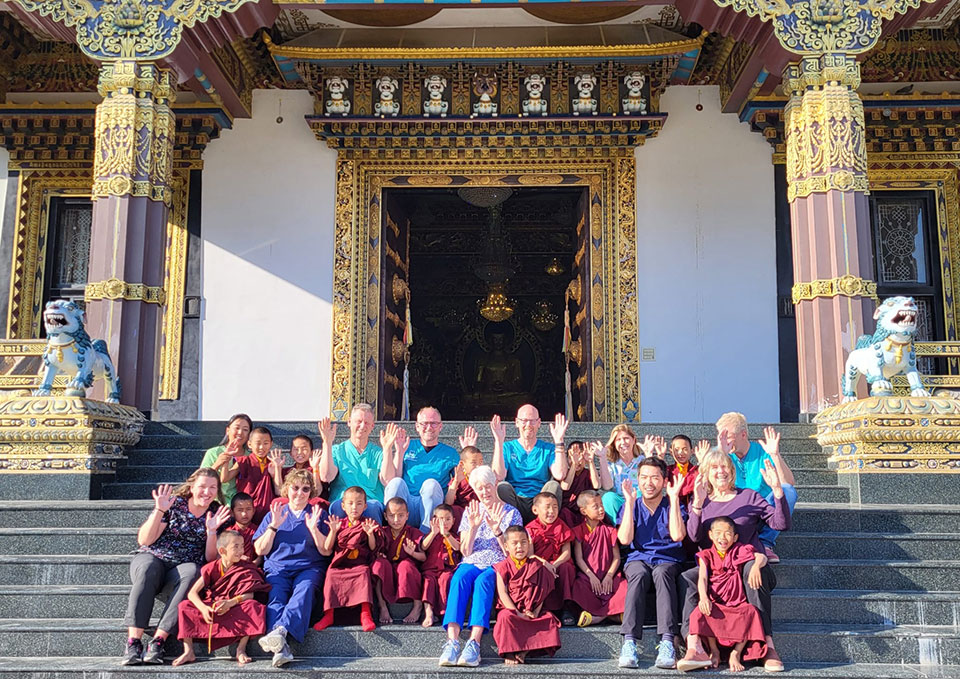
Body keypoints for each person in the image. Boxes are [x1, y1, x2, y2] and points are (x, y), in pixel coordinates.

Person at [680, 449, 789, 673]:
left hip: (748, 564)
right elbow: (694, 537)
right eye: (714, 467)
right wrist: (698, 505)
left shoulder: (749, 496)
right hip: (715, 568)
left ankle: (767, 646)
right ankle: (695, 645)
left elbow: (780, 524)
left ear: (731, 471)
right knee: (687, 578)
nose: (720, 471)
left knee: (752, 573)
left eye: (724, 467)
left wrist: (777, 491)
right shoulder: (701, 498)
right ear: (706, 473)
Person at [121, 469, 232, 666]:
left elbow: (210, 558)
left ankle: (158, 641)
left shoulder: (217, 512)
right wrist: (159, 511)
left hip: (183, 567)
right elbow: (145, 540)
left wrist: (212, 531)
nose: (207, 492)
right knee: (147, 567)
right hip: (154, 557)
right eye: (202, 487)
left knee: (194, 572)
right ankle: (133, 642)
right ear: (192, 487)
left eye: (212, 487)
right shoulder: (175, 504)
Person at [438, 465, 523, 668]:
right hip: (472, 559)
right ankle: (452, 641)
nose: (484, 492)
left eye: (487, 486)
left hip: (496, 561)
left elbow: (510, 553)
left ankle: (474, 643)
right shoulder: (471, 511)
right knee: (458, 578)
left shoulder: (511, 513)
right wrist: (474, 527)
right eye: (479, 488)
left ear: (494, 485)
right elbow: (465, 551)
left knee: (484, 581)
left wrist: (497, 531)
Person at [616, 457, 687, 669]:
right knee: (638, 574)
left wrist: (674, 500)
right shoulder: (634, 505)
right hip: (638, 557)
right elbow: (625, 540)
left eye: (655, 478)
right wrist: (629, 504)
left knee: (662, 574)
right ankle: (629, 641)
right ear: (638, 479)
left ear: (664, 481)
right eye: (644, 477)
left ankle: (667, 641)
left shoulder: (672, 504)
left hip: (668, 559)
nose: (649, 483)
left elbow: (677, 535)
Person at [254, 469, 330, 667]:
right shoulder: (275, 514)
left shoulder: (317, 515)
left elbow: (325, 551)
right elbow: (260, 549)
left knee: (303, 592)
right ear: (287, 489)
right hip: (278, 568)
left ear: (310, 493)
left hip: (308, 567)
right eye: (295, 488)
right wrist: (273, 527)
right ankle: (281, 648)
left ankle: (279, 633)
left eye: (305, 489)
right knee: (276, 597)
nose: (299, 493)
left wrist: (314, 529)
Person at [678, 516, 768, 673]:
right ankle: (714, 650)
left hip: (737, 603)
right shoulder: (706, 555)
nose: (723, 537)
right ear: (711, 535)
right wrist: (704, 598)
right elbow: (703, 577)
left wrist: (755, 567)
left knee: (751, 613)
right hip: (716, 602)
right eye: (718, 533)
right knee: (699, 613)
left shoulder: (740, 550)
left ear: (735, 537)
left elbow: (761, 556)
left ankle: (736, 653)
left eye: (728, 533)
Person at [172, 531, 271, 666]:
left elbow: (251, 594)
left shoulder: (247, 567)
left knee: (252, 606)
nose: (240, 550)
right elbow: (192, 593)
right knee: (184, 606)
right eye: (235, 547)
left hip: (234, 605)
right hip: (213, 606)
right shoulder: (212, 567)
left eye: (242, 546)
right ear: (222, 550)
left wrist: (230, 603)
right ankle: (188, 651)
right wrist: (203, 608)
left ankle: (241, 649)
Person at [716, 413, 797, 563]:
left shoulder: (762, 452)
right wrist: (721, 454)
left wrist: (775, 455)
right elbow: (707, 485)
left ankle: (765, 543)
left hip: (763, 511)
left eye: (728, 436)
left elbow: (788, 483)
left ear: (743, 434)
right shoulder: (722, 452)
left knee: (788, 492)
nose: (725, 440)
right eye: (721, 436)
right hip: (736, 512)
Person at [313, 486, 383, 632]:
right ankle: (329, 615)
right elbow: (328, 547)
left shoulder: (367, 523)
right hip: (340, 564)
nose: (354, 508)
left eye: (358, 503)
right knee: (331, 574)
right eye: (350, 503)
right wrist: (333, 531)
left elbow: (372, 548)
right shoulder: (339, 523)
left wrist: (370, 534)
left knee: (364, 573)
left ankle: (365, 614)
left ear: (365, 506)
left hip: (359, 564)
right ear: (343, 506)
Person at [383, 406, 461, 533]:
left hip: (430, 505)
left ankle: (426, 535)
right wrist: (399, 452)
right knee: (396, 483)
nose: (429, 427)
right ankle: (391, 534)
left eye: (433, 423)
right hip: (406, 503)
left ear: (440, 426)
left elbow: (460, 480)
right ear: (417, 426)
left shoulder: (450, 453)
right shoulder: (407, 445)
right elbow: (392, 479)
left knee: (431, 484)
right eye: (424, 423)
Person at [492, 526, 562, 664]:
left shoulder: (536, 565)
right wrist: (517, 613)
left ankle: (525, 650)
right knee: (505, 618)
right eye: (515, 543)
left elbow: (541, 591)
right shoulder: (502, 566)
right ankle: (510, 652)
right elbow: (503, 593)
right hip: (512, 609)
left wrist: (535, 612)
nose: (520, 547)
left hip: (532, 610)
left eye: (524, 542)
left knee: (548, 619)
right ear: (506, 546)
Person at [317, 405, 398, 523]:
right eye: (358, 422)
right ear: (349, 422)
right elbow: (326, 476)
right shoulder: (336, 450)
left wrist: (387, 449)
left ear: (372, 426)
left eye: (366, 423)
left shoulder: (378, 453)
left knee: (373, 508)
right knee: (338, 507)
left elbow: (388, 480)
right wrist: (327, 443)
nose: (362, 426)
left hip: (370, 502)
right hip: (343, 502)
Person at [491, 405, 569, 523]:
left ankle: (545, 529)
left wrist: (559, 441)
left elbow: (560, 474)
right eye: (524, 421)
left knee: (553, 485)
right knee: (502, 487)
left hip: (540, 501)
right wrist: (498, 442)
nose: (528, 425)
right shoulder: (507, 447)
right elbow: (499, 476)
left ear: (539, 423)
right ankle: (511, 526)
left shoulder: (548, 449)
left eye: (532, 421)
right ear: (517, 422)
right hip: (515, 499)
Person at [569, 489, 627, 627]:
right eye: (596, 506)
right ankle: (614, 615)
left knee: (624, 586)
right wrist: (591, 576)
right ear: (584, 511)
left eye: (602, 505)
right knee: (578, 586)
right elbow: (579, 559)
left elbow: (616, 558)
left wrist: (609, 575)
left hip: (609, 576)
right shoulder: (578, 531)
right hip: (589, 576)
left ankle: (598, 617)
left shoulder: (610, 530)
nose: (601, 509)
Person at [524, 492, 576, 624]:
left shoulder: (561, 526)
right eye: (547, 507)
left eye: (555, 507)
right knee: (538, 569)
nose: (551, 511)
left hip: (558, 565)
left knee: (566, 568)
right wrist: (545, 564)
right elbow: (530, 554)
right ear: (535, 510)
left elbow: (567, 553)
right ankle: (540, 608)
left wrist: (555, 565)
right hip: (541, 564)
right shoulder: (530, 529)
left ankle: (566, 608)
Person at [372, 497, 426, 624]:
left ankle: (417, 605)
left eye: (401, 515)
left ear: (407, 516)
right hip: (388, 568)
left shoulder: (413, 532)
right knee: (378, 565)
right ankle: (382, 606)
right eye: (392, 516)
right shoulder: (382, 532)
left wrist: (412, 553)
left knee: (405, 566)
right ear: (385, 516)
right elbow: (374, 551)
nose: (396, 520)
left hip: (406, 569)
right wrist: (379, 555)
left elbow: (424, 557)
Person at [596, 425, 662, 520]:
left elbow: (652, 479)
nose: (623, 442)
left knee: (641, 494)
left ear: (633, 440)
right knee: (608, 497)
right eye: (618, 440)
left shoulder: (642, 461)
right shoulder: (611, 464)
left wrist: (649, 455)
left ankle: (639, 527)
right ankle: (619, 530)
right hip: (619, 501)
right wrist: (602, 458)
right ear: (614, 443)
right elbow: (607, 487)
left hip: (638, 501)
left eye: (626, 438)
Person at [220, 426, 279, 525]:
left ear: (271, 444)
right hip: (247, 510)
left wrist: (277, 470)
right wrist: (227, 457)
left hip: (268, 511)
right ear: (250, 444)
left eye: (266, 443)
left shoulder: (273, 463)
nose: (261, 447)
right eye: (258, 443)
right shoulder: (244, 461)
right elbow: (224, 478)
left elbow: (279, 490)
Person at [420, 504, 461, 628]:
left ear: (453, 521)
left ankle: (444, 612)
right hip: (431, 568)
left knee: (446, 579)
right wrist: (434, 533)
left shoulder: (453, 536)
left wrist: (446, 534)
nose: (444, 523)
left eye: (448, 519)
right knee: (428, 581)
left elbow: (457, 547)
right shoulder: (431, 535)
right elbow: (423, 546)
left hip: (447, 568)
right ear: (434, 520)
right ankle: (429, 612)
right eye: (440, 519)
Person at [199, 414, 252, 505]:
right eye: (237, 428)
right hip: (215, 502)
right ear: (228, 430)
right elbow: (199, 479)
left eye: (245, 430)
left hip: (241, 505)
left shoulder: (250, 457)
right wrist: (218, 463)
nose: (240, 432)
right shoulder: (213, 453)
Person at [558, 440, 599, 527]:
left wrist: (591, 462)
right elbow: (565, 486)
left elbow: (597, 485)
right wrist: (574, 464)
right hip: (567, 511)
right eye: (571, 457)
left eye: (580, 456)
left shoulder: (588, 473)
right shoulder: (564, 472)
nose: (577, 460)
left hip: (585, 510)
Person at [271, 434, 324, 500]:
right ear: (291, 453)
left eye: (304, 449)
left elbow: (317, 492)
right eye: (296, 449)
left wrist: (315, 468)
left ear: (311, 452)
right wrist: (277, 468)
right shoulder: (287, 472)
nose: (300, 452)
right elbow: (279, 492)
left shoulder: (316, 470)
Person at [445, 445, 482, 525]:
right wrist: (456, 482)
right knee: (454, 510)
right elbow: (448, 502)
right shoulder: (459, 479)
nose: (478, 466)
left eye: (481, 462)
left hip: (480, 511)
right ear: (462, 464)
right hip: (462, 513)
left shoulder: (484, 478)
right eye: (473, 463)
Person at [666, 436, 706, 508]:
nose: (680, 453)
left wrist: (702, 462)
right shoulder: (669, 470)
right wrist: (660, 456)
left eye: (685, 449)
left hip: (693, 507)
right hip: (672, 507)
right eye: (676, 449)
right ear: (671, 452)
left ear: (692, 451)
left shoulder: (696, 470)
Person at [224, 491, 259, 564]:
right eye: (240, 510)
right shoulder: (229, 532)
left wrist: (253, 564)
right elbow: (222, 555)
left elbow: (261, 555)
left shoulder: (259, 530)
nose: (244, 514)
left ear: (253, 511)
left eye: (248, 509)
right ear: (232, 513)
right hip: (233, 567)